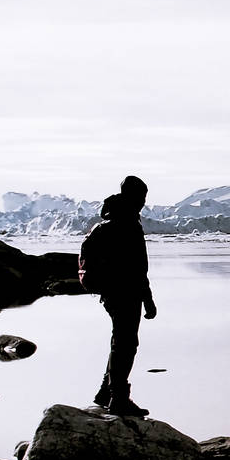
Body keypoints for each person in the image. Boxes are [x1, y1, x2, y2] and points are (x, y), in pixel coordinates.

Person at [86, 175, 157, 417]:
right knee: (126, 345)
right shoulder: (127, 224)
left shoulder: (109, 220)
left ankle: (105, 393)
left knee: (120, 342)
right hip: (126, 292)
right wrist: (148, 300)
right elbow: (138, 267)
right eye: (142, 196)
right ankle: (118, 398)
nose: (143, 202)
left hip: (110, 292)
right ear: (134, 195)